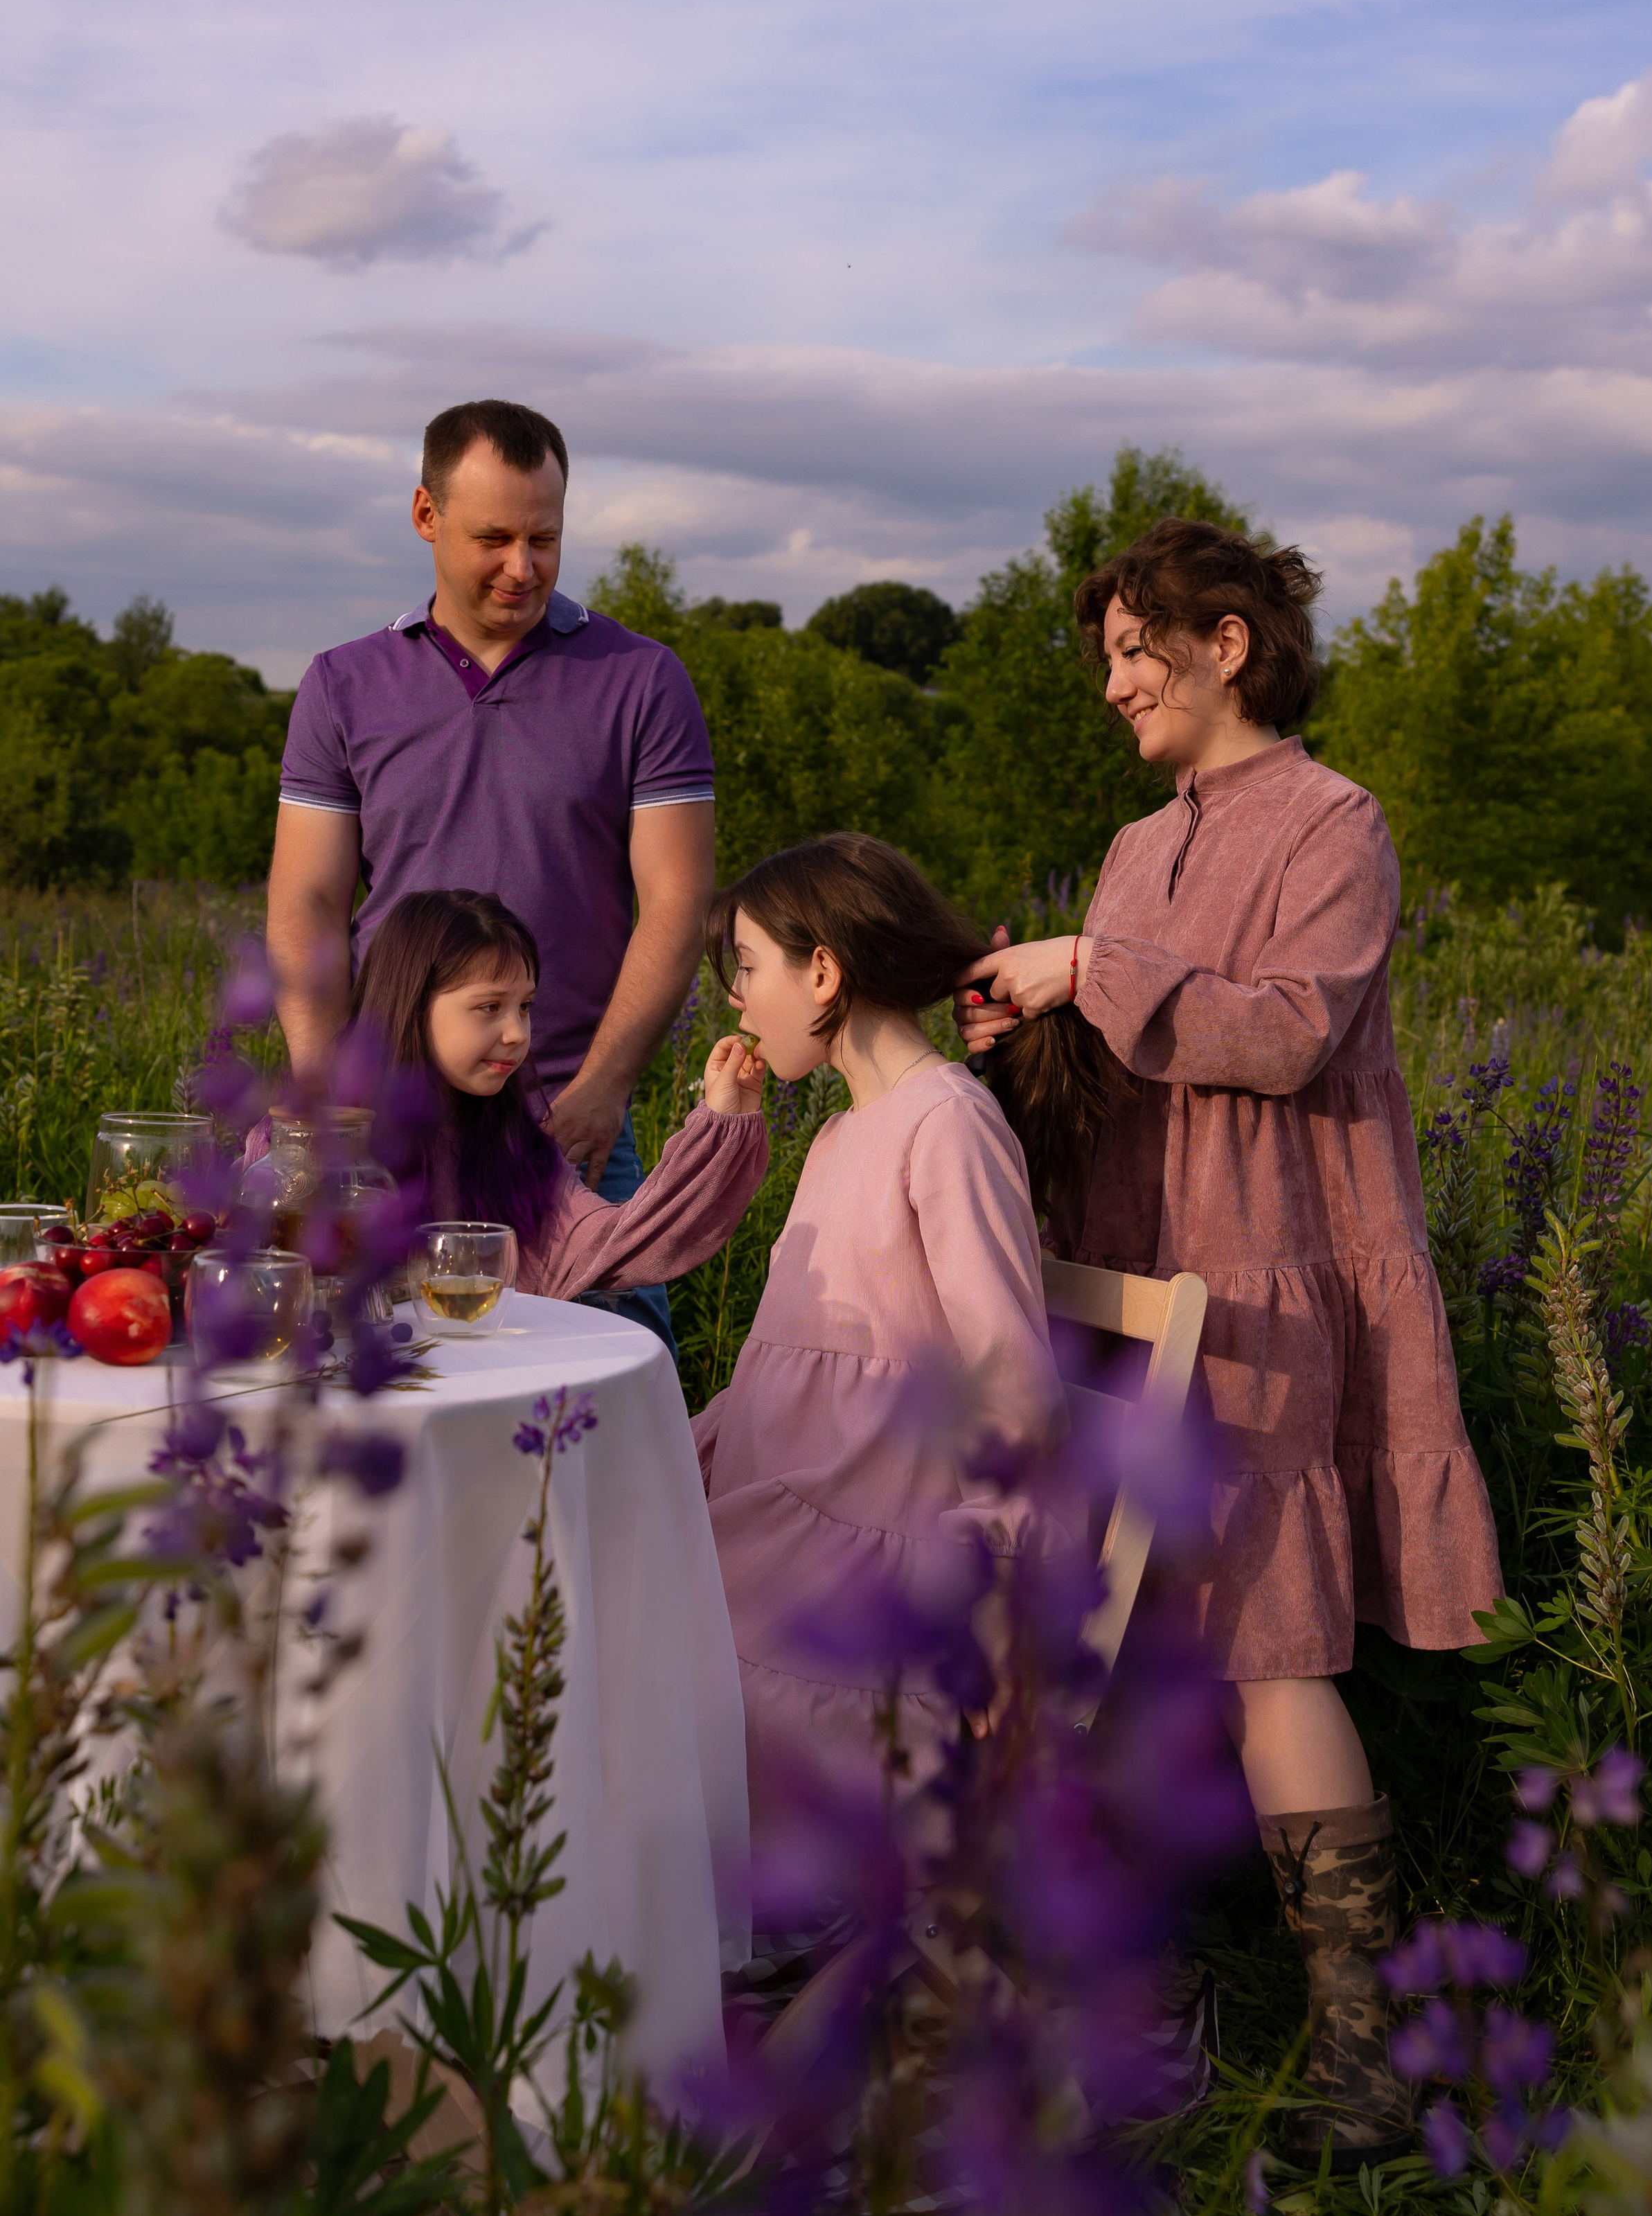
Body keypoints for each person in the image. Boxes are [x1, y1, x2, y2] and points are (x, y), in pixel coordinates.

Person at [956, 515, 1503, 2168]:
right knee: (1126, 1624)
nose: (1114, 681)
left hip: (1270, 1270)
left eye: (1138, 648)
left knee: (1271, 1637)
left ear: (1226, 644)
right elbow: (1131, 1039)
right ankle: (1142, 1979)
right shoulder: (1135, 844)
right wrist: (1023, 1026)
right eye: (1106, 654)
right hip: (1133, 1265)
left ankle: (1361, 2050)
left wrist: (1090, 968)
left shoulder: (1337, 822)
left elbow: (1280, 1027)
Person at [268, 398, 713, 1351]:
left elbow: (677, 903)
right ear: (427, 517)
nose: (524, 565)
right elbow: (307, 900)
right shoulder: (344, 684)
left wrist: (602, 1088)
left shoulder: (641, 679)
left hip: (571, 1120)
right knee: (372, 1401)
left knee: (612, 1390)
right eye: (494, 537)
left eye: (545, 537)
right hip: (387, 1129)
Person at [693, 833, 1068, 1805]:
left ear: (822, 971)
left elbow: (1010, 1383)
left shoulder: (946, 1123)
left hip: (862, 1566)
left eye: (745, 969)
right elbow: (790, 1372)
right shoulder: (840, 1129)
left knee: (618, 1650)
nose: (736, 1000)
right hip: (786, 1521)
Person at [348, 889, 768, 1298]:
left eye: (525, 1006)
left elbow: (613, 1246)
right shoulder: (322, 1152)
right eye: (490, 1007)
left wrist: (720, 1124)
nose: (517, 1034)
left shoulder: (518, 1153)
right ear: (412, 1003)